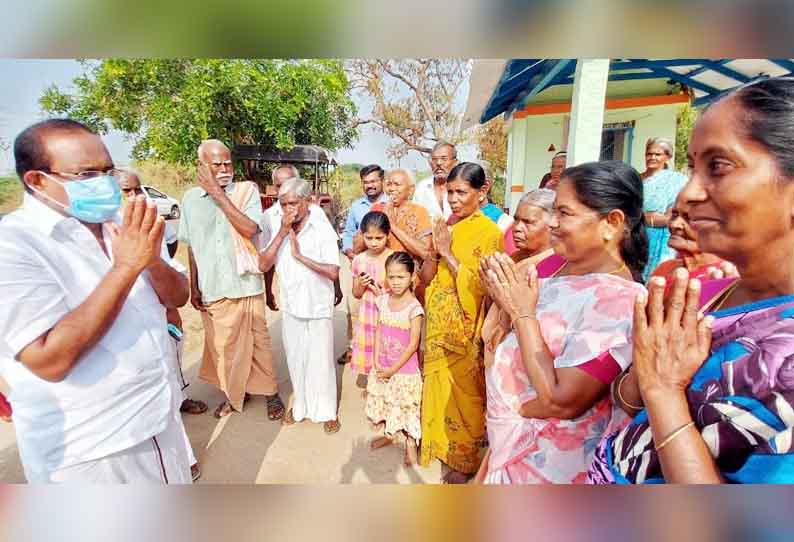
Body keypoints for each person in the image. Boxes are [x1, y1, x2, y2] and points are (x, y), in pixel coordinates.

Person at [588, 76, 794, 484]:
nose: (687, 195)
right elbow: (630, 403)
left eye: (717, 166)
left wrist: (664, 391)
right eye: (692, 167)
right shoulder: (705, 295)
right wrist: (646, 373)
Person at [0, 118, 192, 483]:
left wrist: (150, 259)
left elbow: (178, 295)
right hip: (91, 449)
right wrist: (126, 267)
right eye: (86, 174)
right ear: (38, 180)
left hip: (158, 419)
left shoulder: (123, 221)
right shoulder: (13, 245)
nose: (104, 184)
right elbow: (50, 360)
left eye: (107, 170)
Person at [475, 161, 647, 484]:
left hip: (552, 469)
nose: (551, 222)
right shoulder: (557, 271)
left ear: (612, 223)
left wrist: (522, 315)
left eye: (564, 213)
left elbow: (561, 400)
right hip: (511, 454)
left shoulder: (620, 301)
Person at [179, 140, 284, 421]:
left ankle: (271, 393)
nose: (225, 169)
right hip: (212, 287)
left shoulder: (245, 191)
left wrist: (217, 193)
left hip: (245, 284)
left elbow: (250, 229)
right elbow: (192, 246)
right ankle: (235, 394)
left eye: (228, 163)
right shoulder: (190, 199)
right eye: (217, 164)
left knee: (259, 342)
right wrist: (193, 286)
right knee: (223, 349)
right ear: (202, 166)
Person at [418, 162, 504, 483]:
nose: (453, 199)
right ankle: (441, 446)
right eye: (449, 192)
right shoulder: (447, 226)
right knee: (439, 391)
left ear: (481, 193)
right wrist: (435, 252)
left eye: (461, 192)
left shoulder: (490, 233)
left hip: (466, 331)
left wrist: (448, 254)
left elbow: (482, 286)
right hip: (439, 322)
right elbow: (427, 279)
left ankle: (465, 460)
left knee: (465, 396)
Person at [117, 168, 208, 418]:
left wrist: (170, 308)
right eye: (127, 191)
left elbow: (168, 255)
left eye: (138, 189)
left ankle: (180, 397)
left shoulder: (151, 222)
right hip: (124, 316)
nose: (134, 195)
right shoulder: (105, 229)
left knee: (172, 352)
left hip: (159, 306)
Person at [258, 177, 342, 434]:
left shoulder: (320, 223)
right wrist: (283, 232)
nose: (287, 210)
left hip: (317, 304)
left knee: (321, 358)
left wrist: (300, 257)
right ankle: (302, 406)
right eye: (283, 204)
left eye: (293, 203)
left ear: (307, 201)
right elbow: (263, 264)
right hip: (292, 303)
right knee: (296, 357)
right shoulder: (275, 221)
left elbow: (333, 271)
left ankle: (327, 411)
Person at [481, 188, 558, 367]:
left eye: (528, 222)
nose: (516, 228)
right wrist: (490, 289)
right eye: (516, 220)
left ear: (553, 225)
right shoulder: (513, 259)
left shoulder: (555, 266)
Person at [365, 251, 424, 466]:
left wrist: (393, 370)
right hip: (384, 365)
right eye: (391, 277)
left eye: (401, 277)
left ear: (411, 277)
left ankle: (410, 444)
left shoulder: (414, 308)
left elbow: (412, 345)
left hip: (404, 371)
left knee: (406, 406)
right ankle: (389, 434)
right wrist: (376, 359)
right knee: (386, 402)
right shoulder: (383, 301)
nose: (396, 282)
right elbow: (380, 329)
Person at [263, 164, 344, 312]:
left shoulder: (316, 212)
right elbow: (267, 260)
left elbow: (329, 255)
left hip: (318, 299)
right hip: (290, 299)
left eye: (290, 183)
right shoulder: (268, 216)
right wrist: (268, 291)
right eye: (280, 185)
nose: (285, 189)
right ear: (274, 188)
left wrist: (336, 285)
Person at [350, 212, 394, 377]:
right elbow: (356, 293)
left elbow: (401, 292)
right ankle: (374, 385)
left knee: (387, 349)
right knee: (370, 350)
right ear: (362, 235)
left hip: (388, 315)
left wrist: (381, 293)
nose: (374, 243)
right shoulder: (359, 260)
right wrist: (361, 285)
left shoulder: (393, 258)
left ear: (387, 235)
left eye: (379, 238)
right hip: (368, 315)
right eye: (369, 238)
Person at [639, 137, 689, 281]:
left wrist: (641, 217)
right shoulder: (636, 179)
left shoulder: (676, 181)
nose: (652, 157)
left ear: (668, 157)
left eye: (658, 154)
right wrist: (648, 217)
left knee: (657, 280)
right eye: (649, 154)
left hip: (662, 242)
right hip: (637, 237)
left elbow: (669, 218)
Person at [649, 192, 724, 283]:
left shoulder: (726, 275)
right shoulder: (663, 271)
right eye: (674, 215)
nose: (674, 224)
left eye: (690, 218)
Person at [380, 168, 433, 262]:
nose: (392, 189)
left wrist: (392, 225)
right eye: (389, 184)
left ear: (411, 189)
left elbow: (425, 252)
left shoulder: (419, 211)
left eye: (397, 184)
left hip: (408, 273)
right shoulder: (377, 208)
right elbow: (357, 247)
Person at [341, 164, 388, 260]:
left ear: (382, 181)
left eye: (373, 181)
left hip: (388, 261)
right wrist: (349, 252)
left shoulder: (391, 204)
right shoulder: (356, 206)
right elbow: (348, 233)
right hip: (362, 261)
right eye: (365, 182)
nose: (369, 186)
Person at [413, 142, 457, 221]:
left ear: (455, 162)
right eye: (434, 159)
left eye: (444, 159)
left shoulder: (462, 186)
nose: (438, 163)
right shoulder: (422, 188)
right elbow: (415, 218)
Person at [477, 160, 514, 233]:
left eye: (461, 191)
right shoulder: (455, 218)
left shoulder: (503, 222)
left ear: (485, 188)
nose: (454, 199)